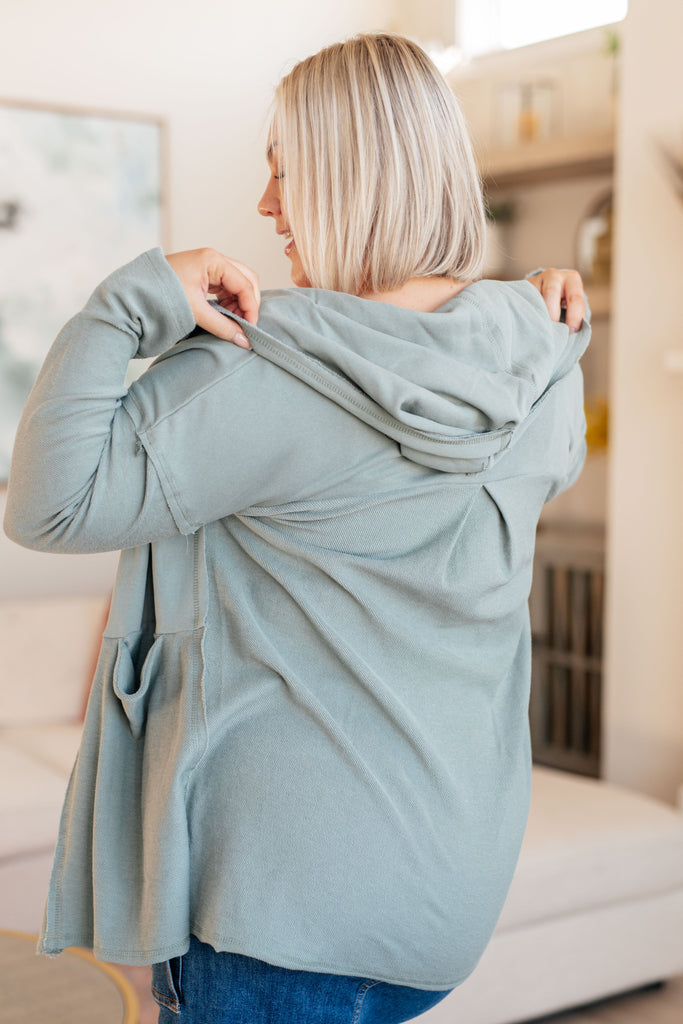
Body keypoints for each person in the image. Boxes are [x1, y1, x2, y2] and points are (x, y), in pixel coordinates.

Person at [4, 33, 589, 1024]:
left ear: (350, 176)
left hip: (283, 914)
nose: (268, 202)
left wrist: (130, 302)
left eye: (285, 168)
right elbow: (537, 458)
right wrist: (528, 315)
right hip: (445, 898)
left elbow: (47, 504)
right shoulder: (542, 366)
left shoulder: (261, 369)